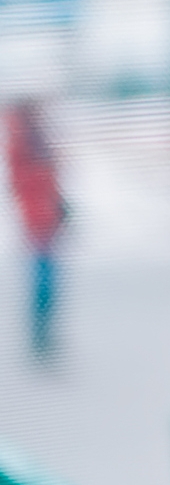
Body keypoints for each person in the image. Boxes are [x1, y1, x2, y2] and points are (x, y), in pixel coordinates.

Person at [5, 100, 60, 358]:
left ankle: (43, 333)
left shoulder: (34, 140)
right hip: (37, 220)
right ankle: (40, 336)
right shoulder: (24, 142)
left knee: (47, 277)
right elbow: (23, 183)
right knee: (43, 278)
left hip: (46, 218)